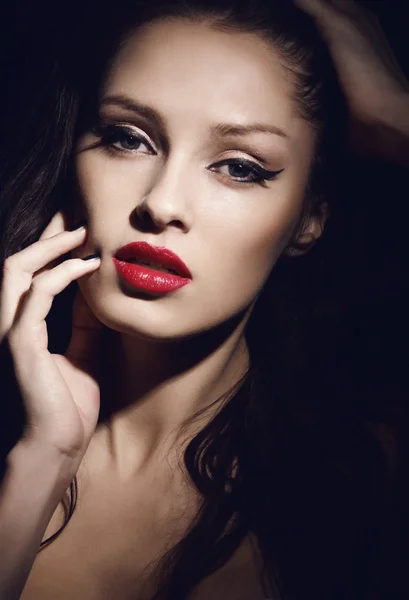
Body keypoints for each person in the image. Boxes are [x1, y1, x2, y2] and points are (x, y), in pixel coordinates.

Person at [0, 0, 407, 598]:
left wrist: (400, 120)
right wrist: (40, 464)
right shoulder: (22, 446)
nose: (161, 204)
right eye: (127, 139)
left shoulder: (373, 486)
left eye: (239, 167)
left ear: (309, 220)